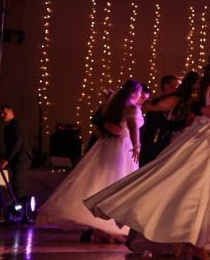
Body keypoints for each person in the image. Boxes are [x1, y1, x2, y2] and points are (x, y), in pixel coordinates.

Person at [86, 51, 210, 260]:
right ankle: (196, 244)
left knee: (197, 188)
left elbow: (205, 109)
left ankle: (194, 243)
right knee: (205, 188)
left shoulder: (207, 86)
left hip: (205, 134)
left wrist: (205, 111)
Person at [38, 80, 144, 241]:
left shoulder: (113, 106)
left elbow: (104, 123)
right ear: (134, 92)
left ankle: (101, 228)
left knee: (102, 181)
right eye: (140, 92)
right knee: (118, 181)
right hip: (123, 147)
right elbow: (133, 127)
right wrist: (136, 145)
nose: (141, 96)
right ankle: (108, 228)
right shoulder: (132, 108)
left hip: (108, 146)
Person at [140, 74, 183, 165]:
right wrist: (184, 123)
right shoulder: (157, 104)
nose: (179, 89)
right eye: (177, 85)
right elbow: (162, 124)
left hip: (165, 144)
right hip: (154, 145)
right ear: (166, 86)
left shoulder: (176, 104)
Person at [0, 105, 31, 209]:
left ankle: (21, 207)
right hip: (16, 159)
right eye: (1, 113)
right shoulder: (9, 126)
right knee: (15, 182)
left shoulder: (15, 125)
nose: (2, 115)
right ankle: (18, 205)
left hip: (21, 158)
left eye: (4, 113)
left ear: (12, 113)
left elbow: (17, 143)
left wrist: (6, 159)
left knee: (16, 182)